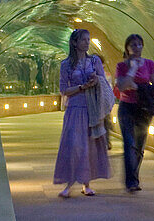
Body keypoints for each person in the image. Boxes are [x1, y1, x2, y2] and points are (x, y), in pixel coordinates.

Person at [54, 29, 112, 198]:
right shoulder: (66, 64)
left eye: (88, 39)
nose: (87, 42)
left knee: (89, 146)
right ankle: (68, 183)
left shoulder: (94, 61)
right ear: (74, 42)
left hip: (91, 109)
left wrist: (95, 80)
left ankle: (87, 184)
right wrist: (81, 87)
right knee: (73, 146)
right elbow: (64, 90)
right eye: (83, 40)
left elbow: (103, 82)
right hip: (74, 109)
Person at [115, 33, 154, 193]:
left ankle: (135, 175)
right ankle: (131, 181)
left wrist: (136, 86)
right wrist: (132, 69)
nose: (136, 47)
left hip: (144, 109)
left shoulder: (150, 64)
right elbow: (122, 86)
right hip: (126, 107)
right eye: (132, 44)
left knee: (139, 146)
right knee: (129, 144)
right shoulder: (122, 66)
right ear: (127, 47)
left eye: (139, 44)